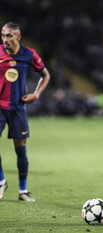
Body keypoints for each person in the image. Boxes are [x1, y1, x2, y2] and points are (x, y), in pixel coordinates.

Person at [0, 22, 50, 202]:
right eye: (3, 35)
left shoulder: (29, 54)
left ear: (18, 37)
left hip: (18, 108)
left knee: (20, 150)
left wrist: (36, 94)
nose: (5, 39)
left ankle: (23, 191)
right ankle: (1, 181)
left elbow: (46, 75)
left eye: (9, 36)